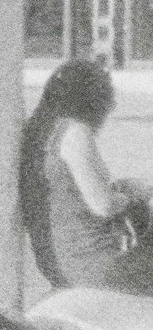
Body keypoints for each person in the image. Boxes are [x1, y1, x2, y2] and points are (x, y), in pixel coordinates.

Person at [20, 59, 153, 295]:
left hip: (57, 263)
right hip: (95, 266)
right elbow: (103, 206)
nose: (109, 106)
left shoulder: (40, 129)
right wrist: (132, 195)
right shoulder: (73, 132)